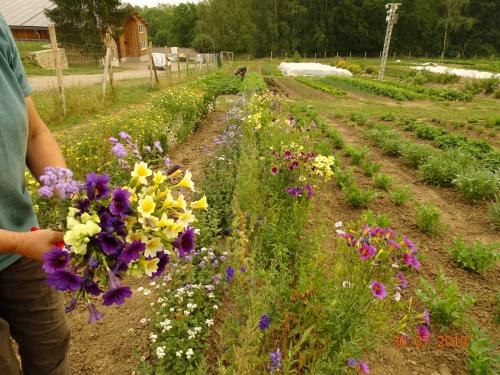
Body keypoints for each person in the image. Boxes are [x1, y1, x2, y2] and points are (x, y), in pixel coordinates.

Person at [0, 14, 70, 375]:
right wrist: (15, 243)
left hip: (20, 238)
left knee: (50, 346)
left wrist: (73, 195)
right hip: (16, 242)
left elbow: (34, 133)